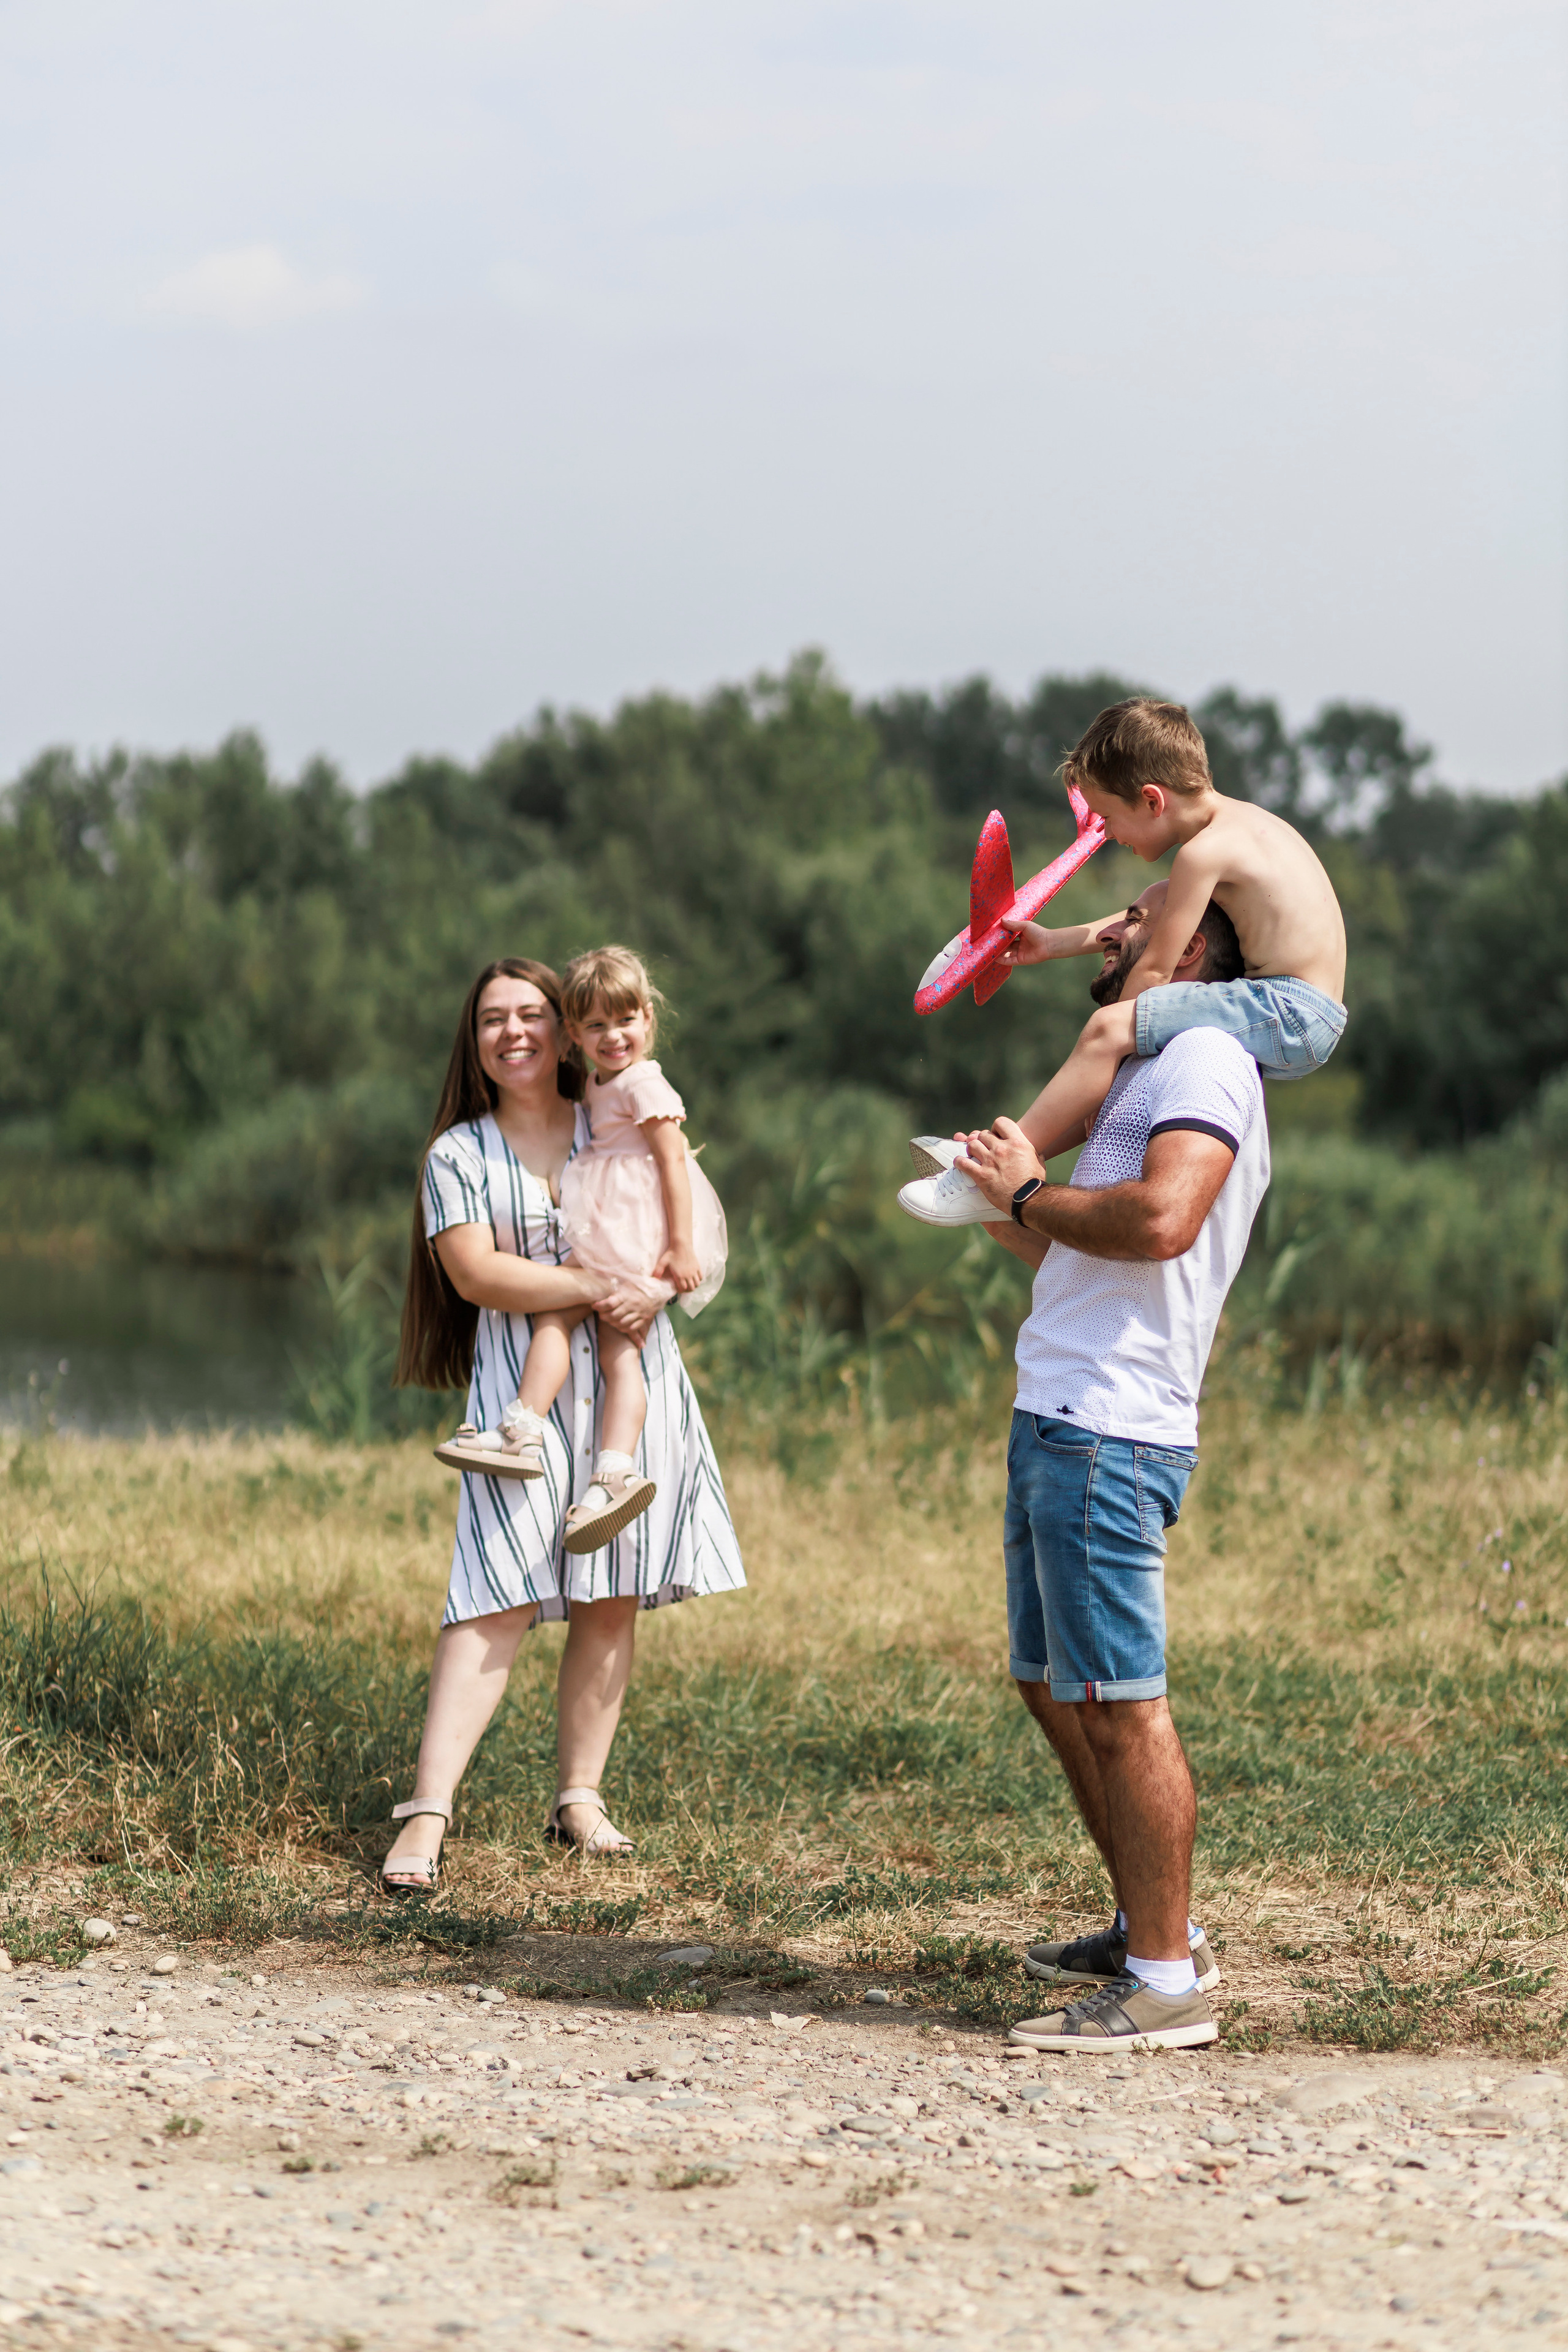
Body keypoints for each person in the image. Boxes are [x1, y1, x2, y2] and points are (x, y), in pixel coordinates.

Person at [956, 883, 1267, 2051]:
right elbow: (1069, 1232)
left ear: (1193, 947)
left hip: (1112, 1427)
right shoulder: (1140, 1070)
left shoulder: (1206, 1059)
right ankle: (1154, 1927)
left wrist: (1038, 1188)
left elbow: (1160, 1221)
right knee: (1052, 1684)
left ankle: (1164, 1984)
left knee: (1122, 1707)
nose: (1110, 927)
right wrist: (1002, 1200)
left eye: (1136, 913)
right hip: (1058, 1408)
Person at [382, 957, 745, 1887]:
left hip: (632, 1370)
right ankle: (427, 1814)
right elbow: (476, 1275)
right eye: (493, 1019)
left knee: (610, 1588)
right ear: (476, 1042)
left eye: (531, 1014)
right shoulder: (460, 1153)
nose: (514, 1032)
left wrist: (656, 1285)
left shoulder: (613, 1107)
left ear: (566, 1029)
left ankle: (579, 1798)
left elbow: (689, 1211)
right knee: (493, 1591)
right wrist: (594, 1284)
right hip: (525, 1392)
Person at [897, 697, 1345, 1226]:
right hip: (1298, 1007)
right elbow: (1154, 914)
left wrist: (1117, 1041)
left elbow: (1155, 969)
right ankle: (1014, 1155)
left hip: (1291, 1012)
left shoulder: (1204, 853)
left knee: (1108, 1032)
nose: (1107, 833)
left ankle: (993, 1168)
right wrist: (1054, 942)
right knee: (1109, 1053)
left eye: (1108, 817)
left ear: (1153, 801)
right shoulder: (1239, 829)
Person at [434, 945, 727, 1558]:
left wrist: (676, 1247)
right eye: (596, 1025)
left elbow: (673, 1162)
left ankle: (586, 1457)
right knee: (564, 1323)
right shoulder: (599, 1084)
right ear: (575, 1035)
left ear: (648, 1018)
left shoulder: (643, 1081)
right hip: (604, 1224)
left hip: (628, 1231)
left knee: (613, 1348)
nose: (613, 1036)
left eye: (624, 1021)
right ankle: (540, 1433)